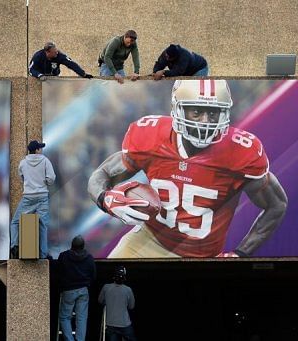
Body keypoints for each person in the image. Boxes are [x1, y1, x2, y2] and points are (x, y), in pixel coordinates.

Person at [88, 79, 288, 258]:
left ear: (224, 112)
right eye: (196, 111)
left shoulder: (241, 152)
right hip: (149, 240)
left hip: (202, 257)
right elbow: (102, 174)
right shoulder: (151, 137)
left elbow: (276, 204)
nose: (205, 122)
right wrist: (105, 199)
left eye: (212, 112)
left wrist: (240, 254)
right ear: (178, 109)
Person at [9, 140, 56, 259]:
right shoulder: (45, 161)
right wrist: (45, 182)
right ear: (36, 150)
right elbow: (51, 178)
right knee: (43, 225)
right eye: (40, 148)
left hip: (28, 197)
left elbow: (22, 177)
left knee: (15, 222)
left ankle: (15, 246)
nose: (41, 150)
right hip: (42, 197)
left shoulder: (23, 163)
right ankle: (43, 254)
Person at [58, 235, 96, 341]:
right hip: (83, 290)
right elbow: (93, 275)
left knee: (65, 317)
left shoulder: (63, 256)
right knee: (82, 318)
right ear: (83, 246)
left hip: (68, 291)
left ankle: (69, 339)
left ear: (72, 245)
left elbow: (59, 273)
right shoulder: (89, 257)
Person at [98, 266, 137, 341]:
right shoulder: (128, 290)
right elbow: (131, 307)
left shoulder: (106, 287)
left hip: (110, 324)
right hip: (125, 324)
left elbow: (100, 301)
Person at [29, 42, 93, 81]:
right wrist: (39, 75)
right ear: (47, 52)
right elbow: (31, 69)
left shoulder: (59, 55)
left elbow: (71, 64)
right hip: (40, 78)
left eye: (56, 51)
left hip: (53, 78)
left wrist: (83, 74)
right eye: (54, 52)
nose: (56, 53)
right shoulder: (38, 56)